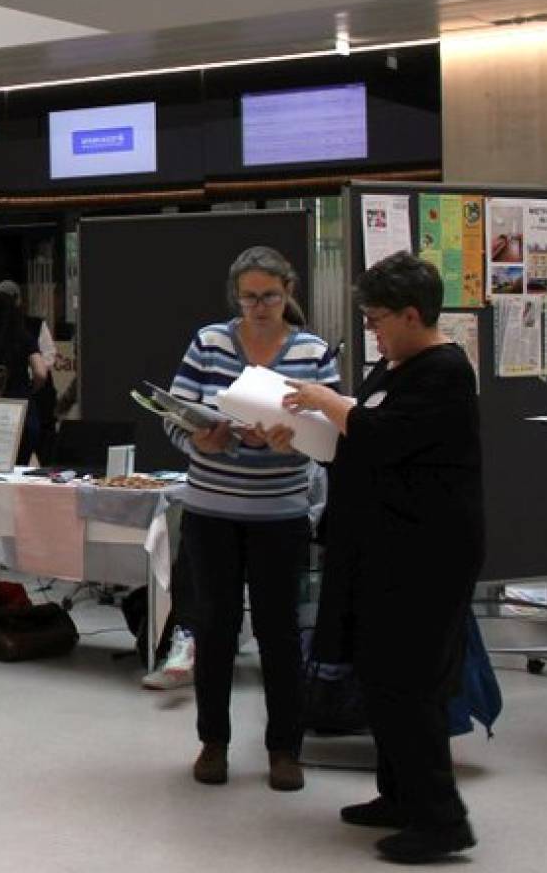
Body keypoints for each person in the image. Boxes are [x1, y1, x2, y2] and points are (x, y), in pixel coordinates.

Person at [284, 254, 483, 864]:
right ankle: (398, 795)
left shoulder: (444, 371)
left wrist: (326, 399)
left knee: (408, 685)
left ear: (412, 314)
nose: (372, 330)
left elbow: (379, 436)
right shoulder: (395, 366)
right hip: (379, 547)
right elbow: (355, 444)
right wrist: (296, 428)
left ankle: (441, 818)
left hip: (423, 555)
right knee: (381, 679)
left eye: (378, 319)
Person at [166, 246, 338, 793]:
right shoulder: (209, 342)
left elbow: (331, 435)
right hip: (211, 508)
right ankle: (212, 742)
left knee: (279, 632)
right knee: (214, 628)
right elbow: (173, 413)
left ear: (289, 292)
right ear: (235, 297)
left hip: (279, 513)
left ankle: (285, 749)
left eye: (270, 296)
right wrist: (198, 434)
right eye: (249, 297)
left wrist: (298, 440)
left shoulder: (312, 350)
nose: (260, 307)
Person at [0, 281, 50, 464]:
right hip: (22, 410)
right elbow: (41, 372)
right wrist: (30, 388)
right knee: (20, 470)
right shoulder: (23, 336)